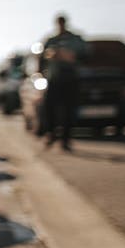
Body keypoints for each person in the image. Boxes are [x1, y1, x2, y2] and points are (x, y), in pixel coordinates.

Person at [41, 13, 88, 150]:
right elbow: (43, 56)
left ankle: (66, 140)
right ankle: (51, 134)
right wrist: (51, 54)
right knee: (49, 108)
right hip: (54, 78)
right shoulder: (51, 40)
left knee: (69, 109)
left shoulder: (76, 39)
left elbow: (86, 53)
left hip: (71, 78)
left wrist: (70, 55)